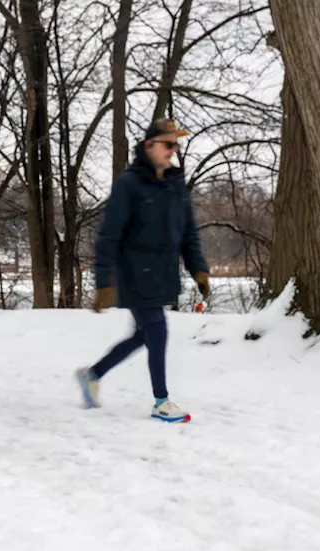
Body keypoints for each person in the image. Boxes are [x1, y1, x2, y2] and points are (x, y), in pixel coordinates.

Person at [74, 118, 212, 423]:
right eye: (168, 144)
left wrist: (199, 269)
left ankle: (93, 374)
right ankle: (161, 401)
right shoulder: (129, 184)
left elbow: (188, 232)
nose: (173, 150)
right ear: (149, 146)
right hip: (134, 273)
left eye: (176, 144)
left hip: (162, 274)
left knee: (143, 336)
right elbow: (108, 235)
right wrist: (104, 282)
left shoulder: (176, 186)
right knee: (158, 330)